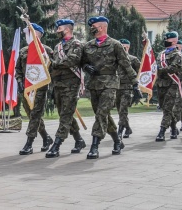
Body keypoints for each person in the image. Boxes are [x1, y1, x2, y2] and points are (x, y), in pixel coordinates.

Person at [81, 16, 137, 159]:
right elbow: (82, 62)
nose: (91, 28)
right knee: (103, 114)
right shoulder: (88, 45)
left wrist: (135, 83)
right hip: (94, 84)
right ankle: (117, 141)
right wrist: (86, 67)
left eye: (93, 26)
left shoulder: (115, 44)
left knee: (101, 114)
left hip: (110, 84)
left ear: (101, 27)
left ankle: (94, 146)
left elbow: (126, 64)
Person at [45, 19, 86, 158]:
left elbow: (71, 60)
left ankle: (56, 145)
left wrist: (54, 63)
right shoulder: (57, 47)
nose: (57, 31)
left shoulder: (77, 44)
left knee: (65, 116)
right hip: (58, 85)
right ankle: (79, 140)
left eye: (59, 28)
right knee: (65, 114)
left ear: (67, 29)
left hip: (71, 85)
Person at [16, 23, 54, 155]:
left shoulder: (46, 50)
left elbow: (53, 69)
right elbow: (18, 69)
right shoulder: (23, 51)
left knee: (35, 114)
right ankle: (46, 137)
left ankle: (29, 143)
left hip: (40, 87)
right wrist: (19, 81)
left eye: (29, 33)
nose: (26, 36)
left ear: (37, 34)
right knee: (31, 114)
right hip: (27, 89)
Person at [155, 32, 182, 141]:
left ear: (174, 41)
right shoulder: (161, 54)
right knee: (164, 107)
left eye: (168, 40)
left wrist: (158, 69)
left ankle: (162, 131)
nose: (166, 41)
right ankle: (174, 127)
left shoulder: (178, 54)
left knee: (167, 108)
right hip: (161, 84)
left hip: (172, 84)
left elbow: (173, 69)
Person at [116, 39, 141, 139]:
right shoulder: (114, 59)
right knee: (119, 110)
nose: (124, 48)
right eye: (122, 47)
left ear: (128, 47)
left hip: (128, 88)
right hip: (116, 87)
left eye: (125, 47)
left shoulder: (133, 59)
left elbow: (140, 73)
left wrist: (137, 86)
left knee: (123, 110)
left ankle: (119, 132)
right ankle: (128, 128)